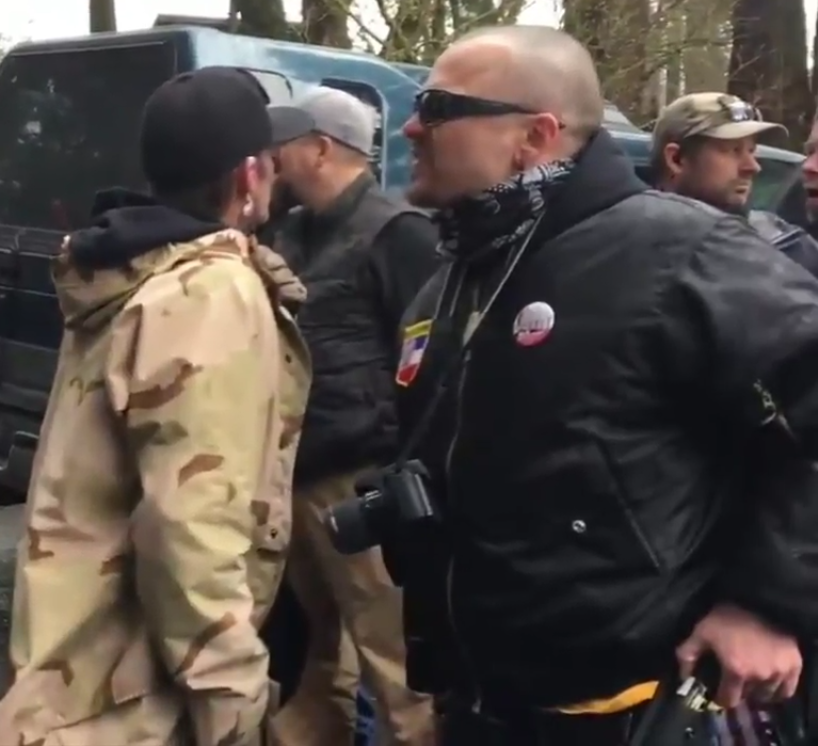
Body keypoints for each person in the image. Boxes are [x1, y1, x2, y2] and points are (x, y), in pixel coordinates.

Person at [379, 25, 818, 746]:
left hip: (637, 704)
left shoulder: (678, 252)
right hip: (482, 700)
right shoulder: (453, 277)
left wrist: (767, 604)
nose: (411, 125)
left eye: (438, 106)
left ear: (535, 134)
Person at [0, 67, 312, 746]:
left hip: (70, 676)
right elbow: (190, 522)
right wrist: (235, 699)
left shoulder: (130, 272)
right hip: (132, 702)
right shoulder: (211, 291)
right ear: (250, 175)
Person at [265, 87, 437, 746]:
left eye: (285, 142)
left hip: (362, 487)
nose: (273, 157)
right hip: (290, 483)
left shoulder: (399, 234)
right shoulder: (289, 232)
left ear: (321, 147)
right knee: (305, 664)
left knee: (399, 672)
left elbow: (430, 367)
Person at [652, 91, 818, 274]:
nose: (753, 167)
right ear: (676, 159)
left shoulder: (784, 241)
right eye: (734, 150)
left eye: (751, 150)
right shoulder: (638, 249)